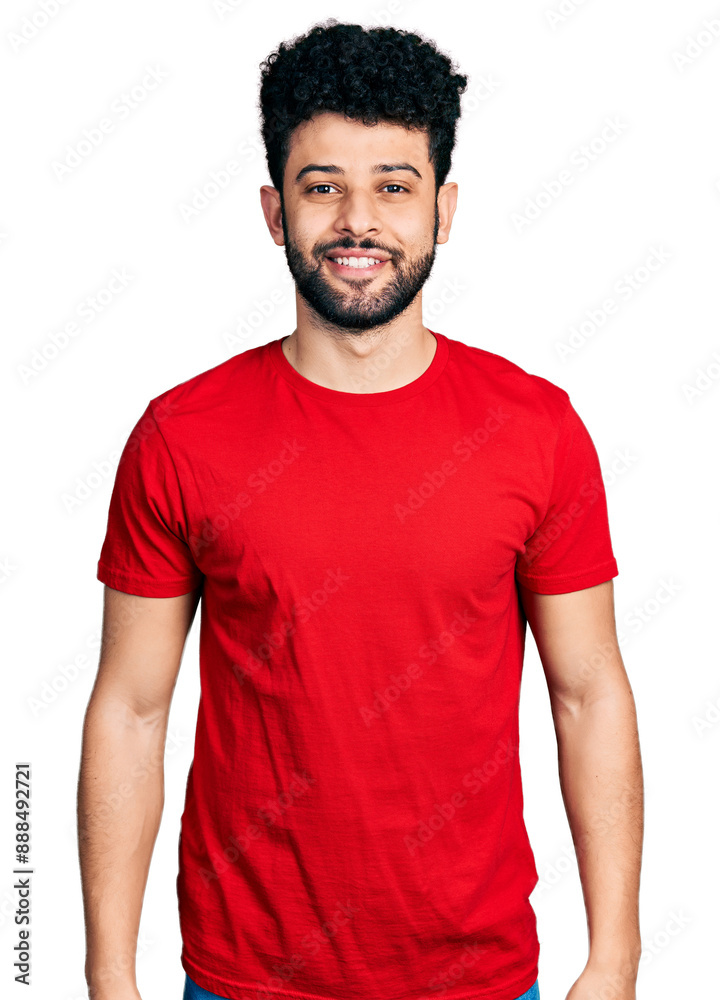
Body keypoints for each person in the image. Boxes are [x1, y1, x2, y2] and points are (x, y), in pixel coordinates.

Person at [77, 19, 643, 1000]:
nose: (358, 220)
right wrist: (107, 976)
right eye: (322, 184)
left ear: (444, 208)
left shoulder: (536, 430)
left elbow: (587, 693)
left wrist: (617, 959)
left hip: (478, 977)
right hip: (245, 978)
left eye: (393, 184)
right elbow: (131, 710)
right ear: (272, 209)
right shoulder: (182, 435)